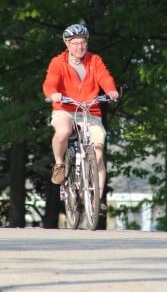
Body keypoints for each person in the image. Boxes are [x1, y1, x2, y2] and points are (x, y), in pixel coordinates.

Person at [42, 23, 119, 201]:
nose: (80, 47)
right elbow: (50, 82)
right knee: (63, 131)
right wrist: (53, 94)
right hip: (65, 109)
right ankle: (60, 164)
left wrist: (111, 90)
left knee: (98, 153)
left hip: (90, 110)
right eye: (75, 43)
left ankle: (96, 199)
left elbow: (104, 77)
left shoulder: (94, 60)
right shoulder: (58, 62)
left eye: (83, 42)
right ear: (67, 44)